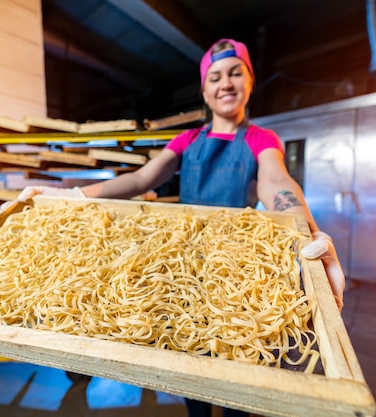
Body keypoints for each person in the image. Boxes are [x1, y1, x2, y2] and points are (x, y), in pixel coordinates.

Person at [19, 38, 345, 417]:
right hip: (185, 265)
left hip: (239, 267)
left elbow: (277, 183)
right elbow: (142, 179)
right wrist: (72, 194)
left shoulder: (261, 140)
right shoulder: (188, 140)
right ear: (204, 91)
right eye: (216, 77)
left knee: (241, 364)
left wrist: (309, 231)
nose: (226, 84)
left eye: (236, 73)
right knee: (193, 360)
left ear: (250, 81)